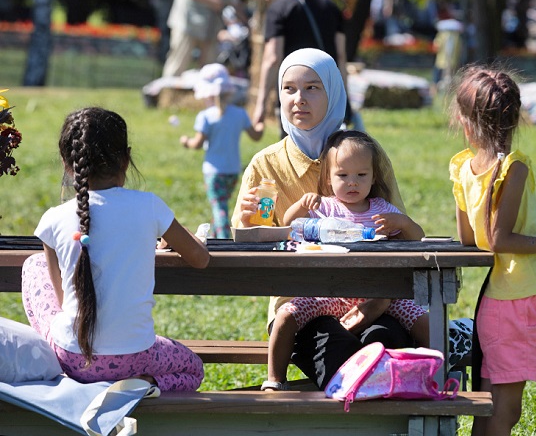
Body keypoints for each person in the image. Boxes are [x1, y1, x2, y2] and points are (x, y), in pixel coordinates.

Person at [231, 47, 412, 390]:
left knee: (390, 347)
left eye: (313, 87)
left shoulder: (365, 154)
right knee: (342, 362)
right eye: (289, 89)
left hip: (373, 297)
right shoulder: (267, 166)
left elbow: (398, 232)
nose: (299, 99)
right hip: (301, 305)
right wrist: (246, 225)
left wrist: (379, 303)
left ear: (334, 92)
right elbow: (256, 241)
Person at [22, 107, 211, 392]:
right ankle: (145, 385)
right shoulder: (149, 206)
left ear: (66, 162)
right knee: (193, 369)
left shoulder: (52, 219)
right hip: (136, 359)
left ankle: (67, 378)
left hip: (70, 358)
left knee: (34, 265)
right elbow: (200, 259)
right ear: (126, 158)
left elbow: (62, 301)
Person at [448, 66, 536, 435]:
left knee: (490, 406)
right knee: (506, 411)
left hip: (495, 303)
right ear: (515, 119)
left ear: (466, 123)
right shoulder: (515, 167)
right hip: (519, 301)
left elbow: (470, 238)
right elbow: (500, 239)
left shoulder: (463, 166)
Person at [261, 130, 427, 390]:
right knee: (285, 316)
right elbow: (290, 224)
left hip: (378, 295)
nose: (352, 183)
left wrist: (403, 223)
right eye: (342, 175)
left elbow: (418, 238)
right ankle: (274, 379)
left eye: (361, 175)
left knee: (424, 321)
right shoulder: (325, 208)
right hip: (329, 294)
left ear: (373, 178)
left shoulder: (381, 209)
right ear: (328, 179)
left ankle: (431, 374)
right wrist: (302, 206)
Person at [253, 0, 364, 134]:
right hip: (327, 93)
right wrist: (343, 97)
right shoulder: (330, 6)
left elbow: (272, 58)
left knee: (295, 154)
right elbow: (341, 57)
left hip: (298, 96)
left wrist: (261, 105)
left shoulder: (278, 9)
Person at [180, 63, 263, 239]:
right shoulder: (240, 114)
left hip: (214, 173)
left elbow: (196, 144)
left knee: (220, 209)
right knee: (221, 206)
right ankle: (215, 237)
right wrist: (260, 124)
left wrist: (186, 141)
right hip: (233, 172)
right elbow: (256, 136)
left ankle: (225, 241)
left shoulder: (206, 116)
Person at [162, 0, 241, 77]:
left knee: (209, 68)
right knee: (178, 63)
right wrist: (211, 0)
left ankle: (202, 94)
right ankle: (167, 94)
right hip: (187, 23)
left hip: (211, 27)